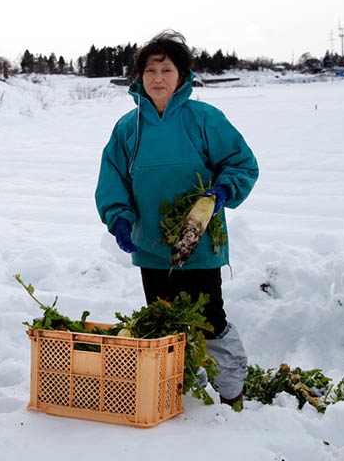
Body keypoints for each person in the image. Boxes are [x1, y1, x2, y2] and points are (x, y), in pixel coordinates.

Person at [95, 30, 258, 408]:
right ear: (139, 77)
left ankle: (232, 388)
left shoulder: (205, 119)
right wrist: (119, 218)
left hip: (200, 241)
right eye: (150, 70)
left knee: (209, 319)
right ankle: (173, 387)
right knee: (163, 321)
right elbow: (114, 179)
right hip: (152, 245)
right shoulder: (127, 128)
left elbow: (241, 163)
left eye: (166, 69)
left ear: (181, 75)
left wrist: (222, 192)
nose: (157, 78)